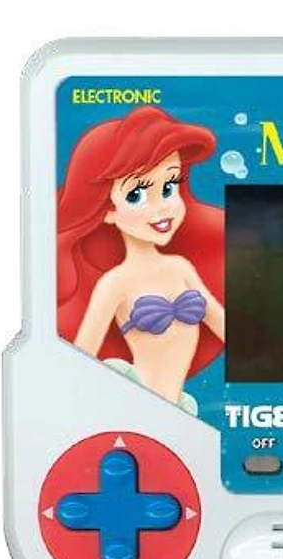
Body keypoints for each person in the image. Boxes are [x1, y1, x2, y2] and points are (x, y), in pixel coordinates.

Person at [57, 106, 225, 414]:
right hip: (137, 408)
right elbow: (80, 359)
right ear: (108, 210)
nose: (163, 207)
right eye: (137, 195)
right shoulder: (115, 283)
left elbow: (223, 324)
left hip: (181, 410)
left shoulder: (180, 268)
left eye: (169, 187)